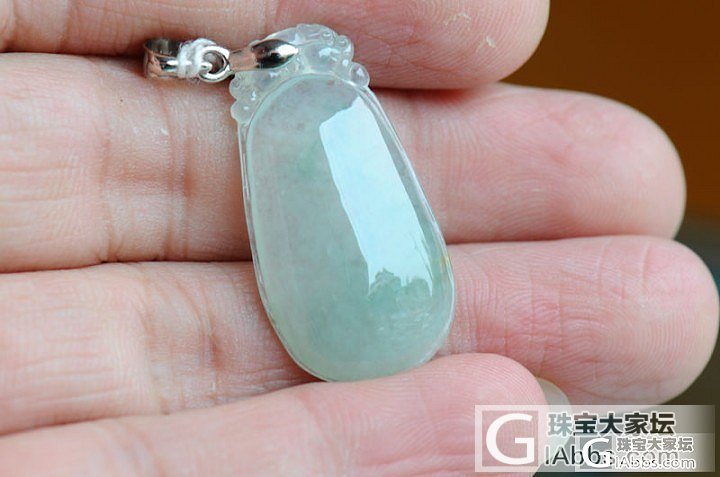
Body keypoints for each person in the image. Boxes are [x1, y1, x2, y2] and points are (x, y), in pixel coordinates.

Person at [0, 1, 716, 475]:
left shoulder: (322, 110)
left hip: (378, 327)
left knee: (617, 417)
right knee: (590, 431)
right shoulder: (301, 114)